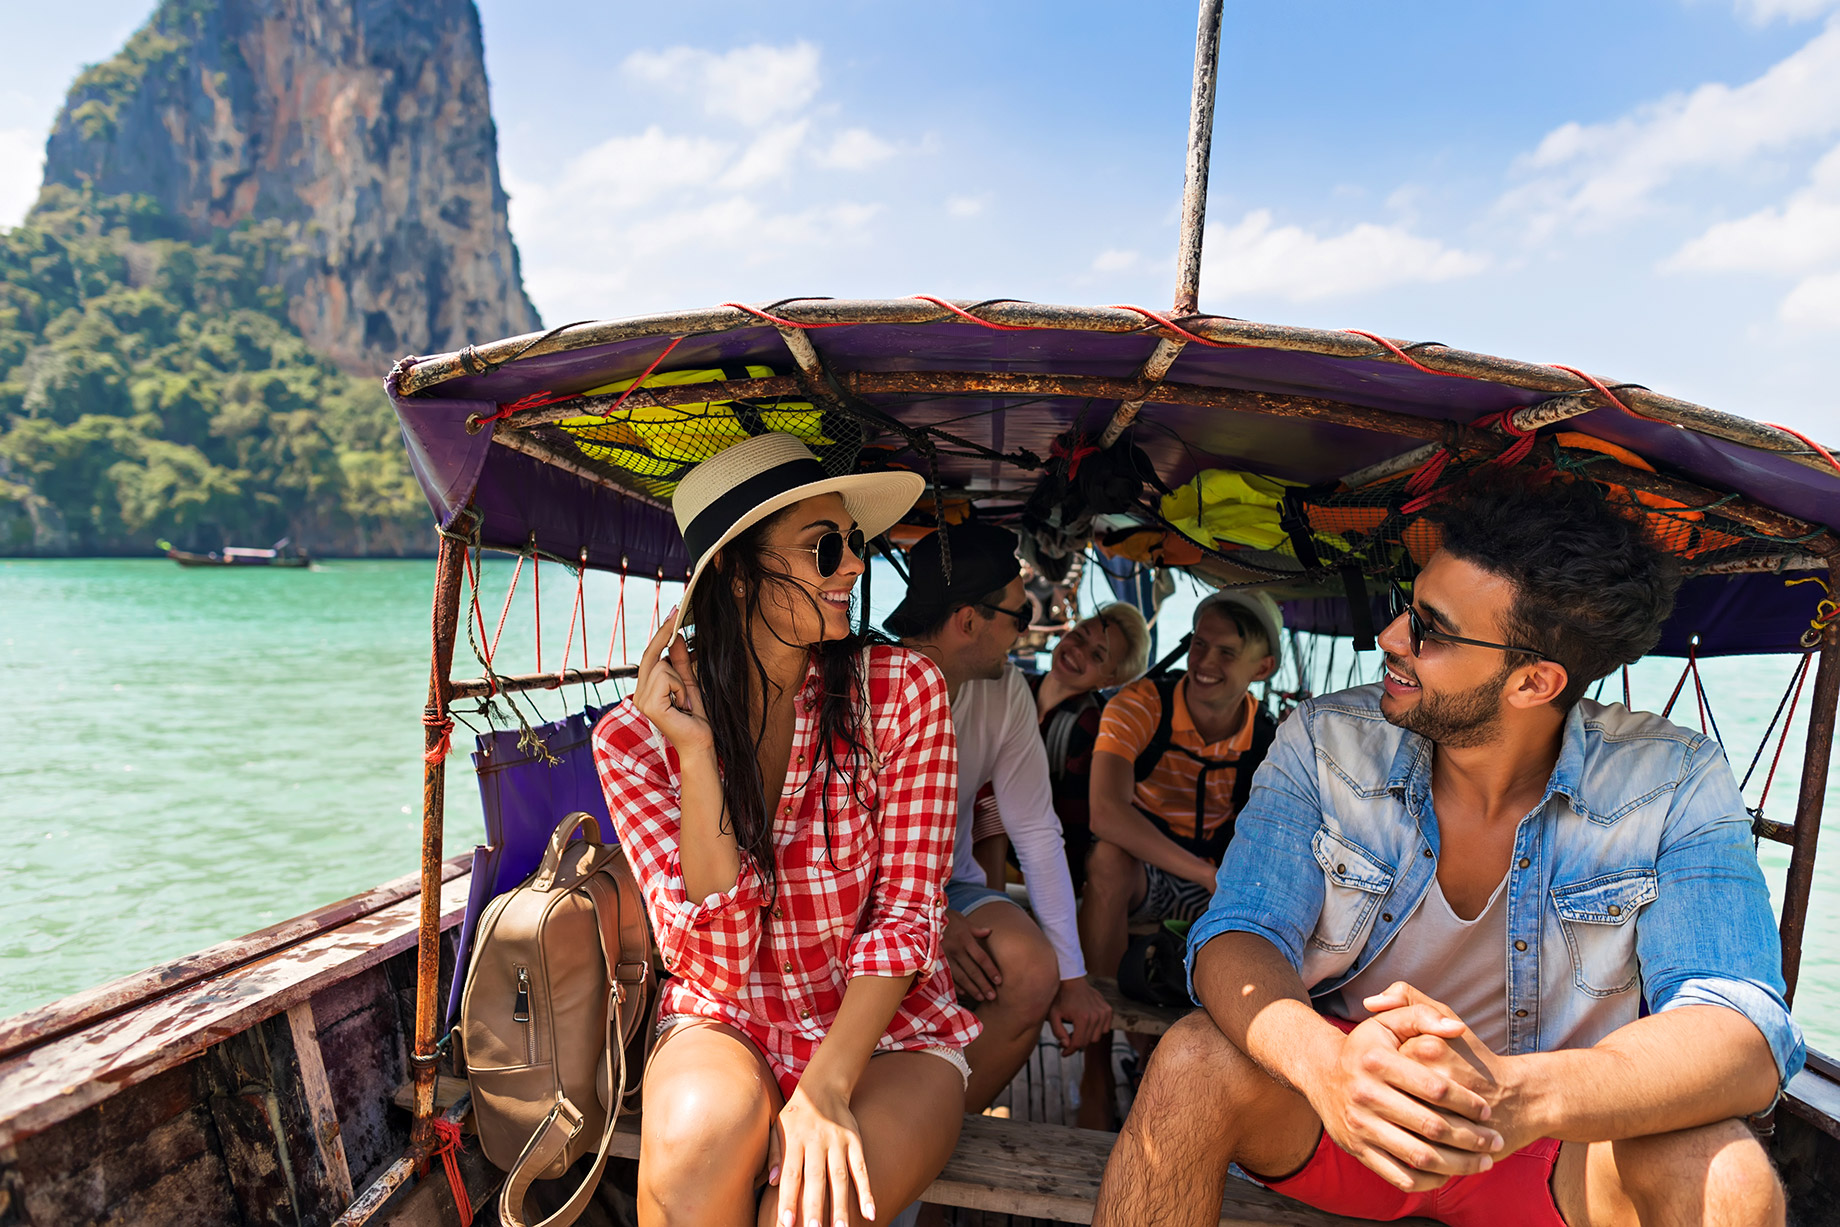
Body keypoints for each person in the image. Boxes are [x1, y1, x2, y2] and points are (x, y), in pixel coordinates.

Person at [1093, 479, 1802, 1227]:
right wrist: (1329, 1066)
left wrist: (1517, 1093)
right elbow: (1240, 931)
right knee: (1193, 1056)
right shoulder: (1324, 741)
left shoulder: (1675, 780)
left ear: (1535, 681)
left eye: (1430, 630)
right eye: (1407, 604)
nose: (1392, 638)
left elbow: (1740, 1026)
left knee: (1728, 1176)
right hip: (1350, 1114)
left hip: (1558, 1140)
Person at [592, 433, 978, 1227]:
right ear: (736, 571)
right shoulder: (634, 741)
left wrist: (827, 1087)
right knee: (694, 1154)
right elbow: (714, 962)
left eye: (854, 543)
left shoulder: (902, 692)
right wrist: (698, 758)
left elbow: (907, 917)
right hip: (731, 1014)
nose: (854, 566)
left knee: (805, 1217)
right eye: (823, 546)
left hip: (886, 1031)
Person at [884, 523, 1116, 1113]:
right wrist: (927, 923)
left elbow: (1035, 831)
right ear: (969, 621)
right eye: (1019, 616)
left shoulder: (1004, 689)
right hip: (855, 888)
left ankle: (932, 1142)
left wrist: (1071, 976)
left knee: (1031, 971)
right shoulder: (864, 683)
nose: (1024, 632)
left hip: (947, 885)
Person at [1075, 589, 1281, 1126]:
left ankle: (1186, 1070)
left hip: (1220, 885)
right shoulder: (1141, 704)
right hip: (1157, 874)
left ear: (1264, 667)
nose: (1205, 663)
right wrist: (1203, 874)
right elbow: (1105, 813)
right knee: (1106, 861)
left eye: (1226, 653)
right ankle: (1096, 1064)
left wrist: (1226, 884)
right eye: (1199, 645)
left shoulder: (1272, 737)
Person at [968, 601, 1153, 892]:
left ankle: (991, 904)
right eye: (1079, 635)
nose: (1078, 650)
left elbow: (1070, 834)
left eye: (1097, 654)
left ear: (1110, 679)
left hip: (1028, 865)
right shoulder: (1015, 685)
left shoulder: (1089, 727)